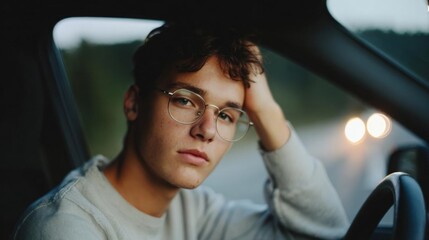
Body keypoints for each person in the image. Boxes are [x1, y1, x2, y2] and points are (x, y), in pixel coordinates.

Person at [13, 21, 349, 239]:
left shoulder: (195, 213)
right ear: (134, 104)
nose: (207, 130)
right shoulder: (64, 228)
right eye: (186, 101)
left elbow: (324, 231)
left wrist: (265, 109)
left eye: (228, 116)